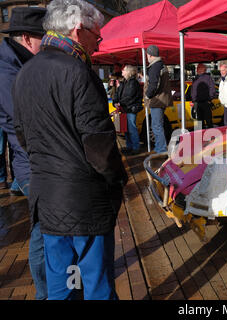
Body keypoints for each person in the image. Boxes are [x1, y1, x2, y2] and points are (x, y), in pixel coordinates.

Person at [12, 0, 128, 300]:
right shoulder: (79, 72)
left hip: (47, 199)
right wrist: (117, 180)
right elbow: (99, 146)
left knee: (61, 289)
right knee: (96, 287)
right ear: (78, 31)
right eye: (97, 36)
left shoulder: (25, 72)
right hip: (84, 203)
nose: (99, 44)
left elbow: (23, 136)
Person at [0, 6, 48, 300]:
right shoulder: (7, 70)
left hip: (37, 159)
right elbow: (23, 122)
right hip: (33, 162)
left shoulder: (20, 62)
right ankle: (45, 294)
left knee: (50, 227)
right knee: (45, 229)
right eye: (45, 38)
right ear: (29, 38)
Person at [145, 44, 172, 153]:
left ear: (150, 55)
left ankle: (161, 149)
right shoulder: (160, 65)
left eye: (147, 55)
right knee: (157, 125)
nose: (146, 57)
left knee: (156, 126)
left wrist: (148, 95)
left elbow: (154, 84)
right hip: (161, 99)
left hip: (157, 100)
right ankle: (159, 147)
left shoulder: (155, 66)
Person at [114, 65, 143, 155]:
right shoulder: (124, 82)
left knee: (131, 129)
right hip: (124, 108)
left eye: (124, 70)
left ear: (129, 72)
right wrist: (115, 101)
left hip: (130, 109)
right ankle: (129, 146)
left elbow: (130, 96)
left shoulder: (133, 83)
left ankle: (135, 147)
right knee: (126, 129)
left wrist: (120, 103)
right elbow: (117, 93)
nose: (122, 71)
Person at [191, 63, 216, 129]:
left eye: (198, 68)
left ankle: (209, 136)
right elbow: (193, 90)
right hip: (199, 102)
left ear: (201, 69)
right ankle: (201, 136)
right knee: (201, 121)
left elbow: (212, 89)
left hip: (204, 102)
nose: (196, 70)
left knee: (206, 121)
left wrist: (209, 99)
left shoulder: (206, 78)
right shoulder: (196, 78)